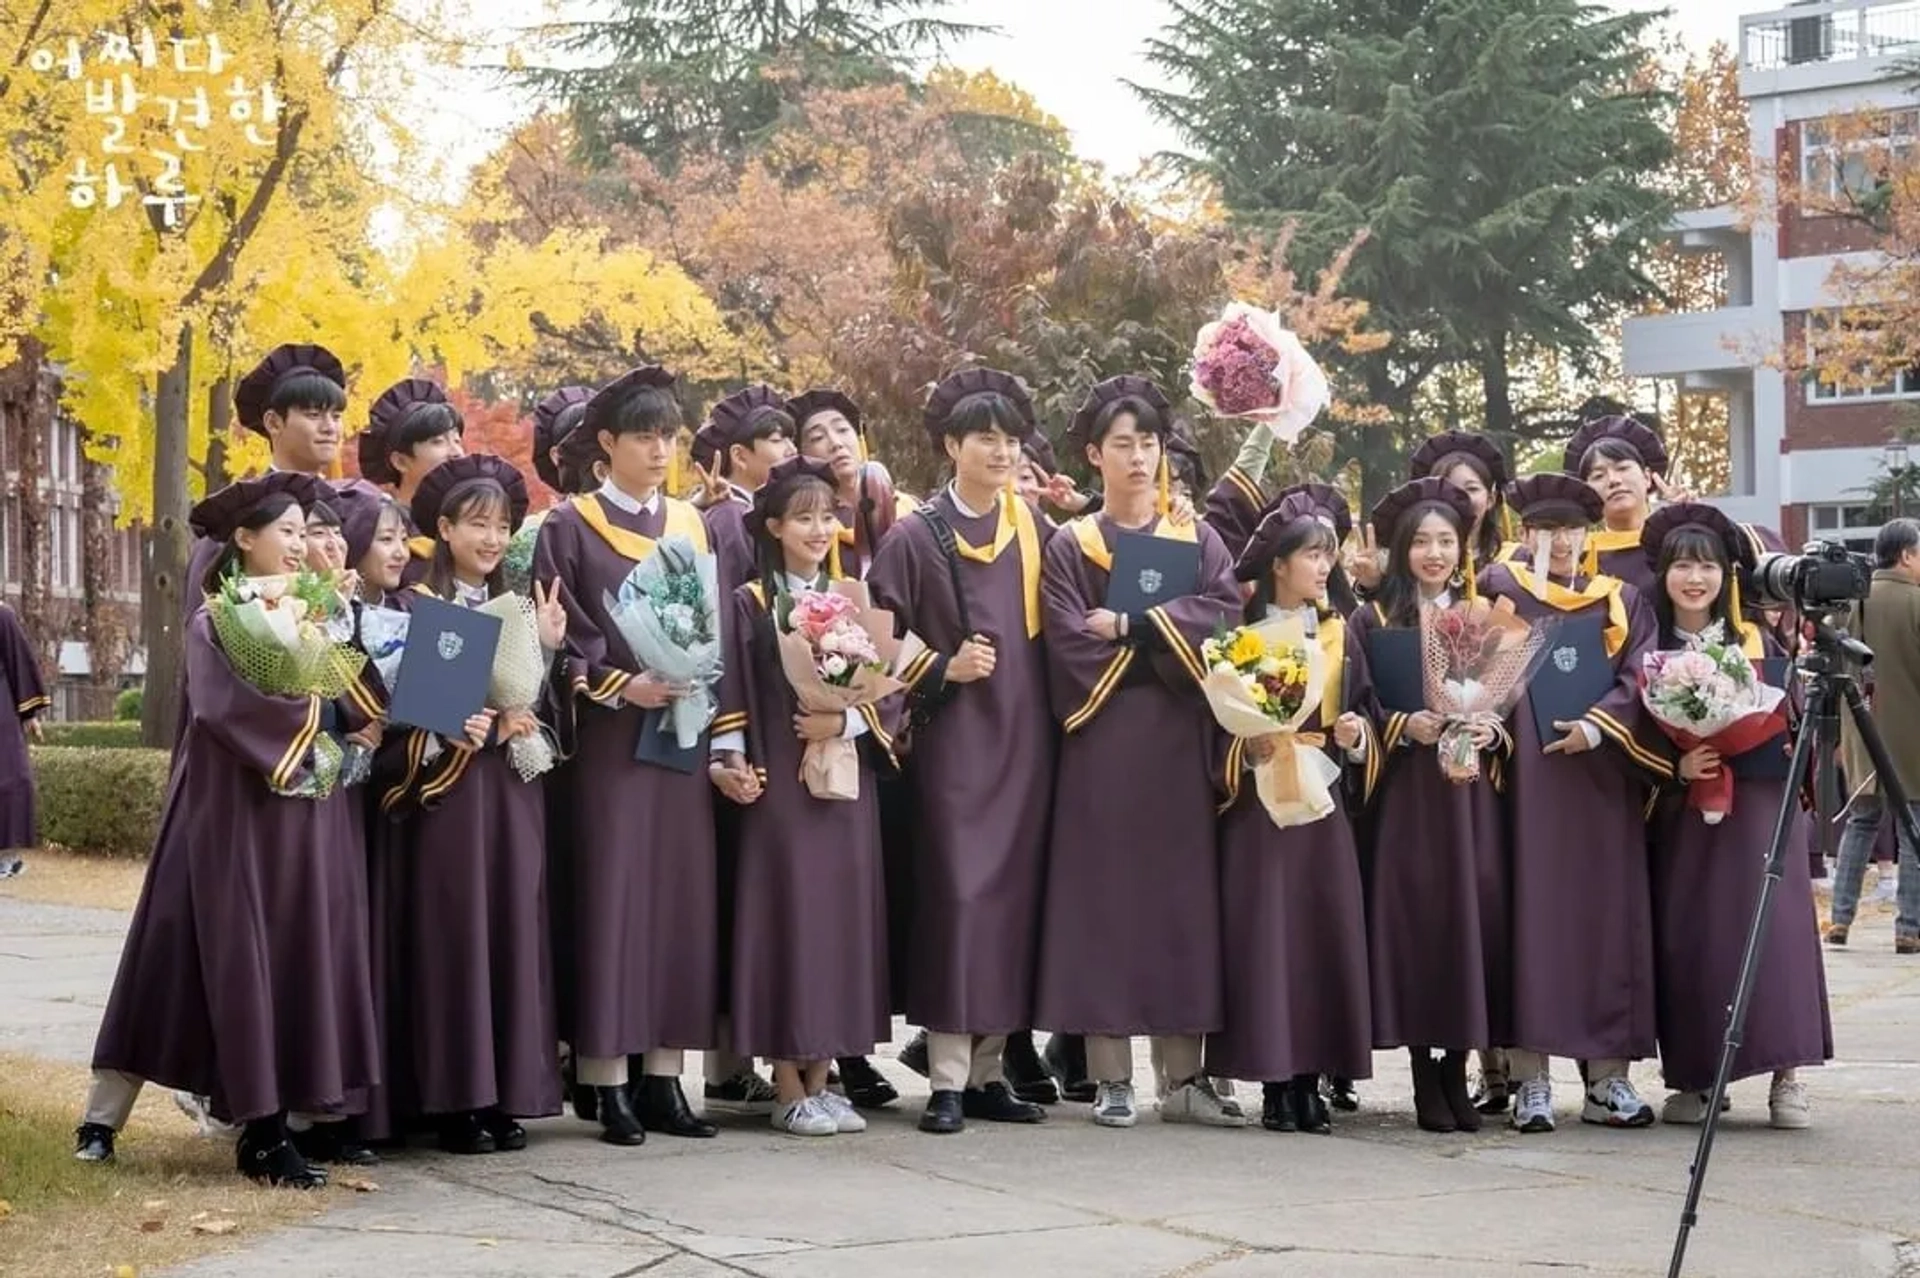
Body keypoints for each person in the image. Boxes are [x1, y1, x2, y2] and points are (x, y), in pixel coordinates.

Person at [81, 472, 381, 1185]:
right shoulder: (215, 619)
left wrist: (351, 692)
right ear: (244, 539)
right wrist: (315, 730)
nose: (300, 544)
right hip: (230, 811)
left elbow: (358, 694)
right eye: (287, 531)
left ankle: (301, 1116)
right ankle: (245, 1129)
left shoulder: (317, 613)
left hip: (302, 812)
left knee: (293, 952)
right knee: (200, 953)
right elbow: (221, 712)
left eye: (306, 532)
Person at [1031, 374, 1242, 1129]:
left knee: (1181, 905)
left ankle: (1184, 1077)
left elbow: (1224, 616)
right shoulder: (1070, 544)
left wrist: (1131, 626)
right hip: (1104, 744)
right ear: (1094, 455)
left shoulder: (1198, 537)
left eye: (1148, 442)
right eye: (1122, 443)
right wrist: (1165, 635)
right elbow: (1063, 639)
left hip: (1179, 745)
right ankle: (1111, 1075)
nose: (1138, 457)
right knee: (1106, 905)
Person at [532, 365, 720, 1145]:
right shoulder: (567, 528)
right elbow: (557, 645)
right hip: (610, 746)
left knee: (676, 902)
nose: (659, 449)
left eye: (668, 436)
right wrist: (617, 682)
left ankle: (664, 1079)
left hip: (679, 740)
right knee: (612, 901)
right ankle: (606, 1079)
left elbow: (721, 630)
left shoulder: (692, 525)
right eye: (644, 436)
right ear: (605, 443)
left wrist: (700, 691)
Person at [867, 369, 1057, 1135]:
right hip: (955, 747)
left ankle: (987, 1072)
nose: (1002, 451)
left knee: (1013, 901)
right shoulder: (916, 535)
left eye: (1011, 439)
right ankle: (943, 1075)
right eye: (986, 438)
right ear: (951, 446)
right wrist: (941, 666)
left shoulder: (1035, 529)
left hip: (1026, 743)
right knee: (956, 900)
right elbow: (875, 633)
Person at [384, 456, 569, 1154]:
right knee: (460, 940)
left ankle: (504, 1093)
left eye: (502, 526)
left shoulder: (520, 606)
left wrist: (545, 656)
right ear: (445, 527)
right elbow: (414, 724)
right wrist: (459, 722)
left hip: (511, 800)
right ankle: (457, 1097)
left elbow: (529, 701)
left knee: (512, 934)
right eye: (478, 524)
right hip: (452, 803)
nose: (492, 539)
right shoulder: (414, 607)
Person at [707, 455, 895, 1137]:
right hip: (780, 780)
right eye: (805, 517)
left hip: (843, 779)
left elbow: (882, 696)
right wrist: (732, 759)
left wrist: (842, 719)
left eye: (829, 516)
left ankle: (823, 1078)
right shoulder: (750, 602)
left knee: (839, 925)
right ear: (775, 524)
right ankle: (786, 1081)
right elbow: (727, 692)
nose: (820, 529)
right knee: (789, 921)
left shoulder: (850, 601)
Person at [1478, 474, 1671, 1134]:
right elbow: (1473, 682)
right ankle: (1531, 1079)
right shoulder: (1499, 592)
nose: (1560, 542)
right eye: (1545, 530)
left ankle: (1607, 1078)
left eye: (1572, 530)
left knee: (1603, 923)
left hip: (1599, 785)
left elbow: (1642, 675)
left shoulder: (1617, 601)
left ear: (1588, 536)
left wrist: (1597, 725)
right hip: (1525, 792)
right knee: (1530, 923)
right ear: (1523, 534)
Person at [1641, 502, 1831, 1130]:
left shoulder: (1757, 641)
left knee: (1772, 935)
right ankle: (1698, 1077)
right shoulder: (1649, 648)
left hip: (1757, 809)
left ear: (1728, 575)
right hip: (1683, 816)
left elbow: (1794, 717)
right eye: (1682, 566)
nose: (1695, 578)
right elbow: (1634, 725)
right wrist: (1676, 767)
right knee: (1693, 938)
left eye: (1708, 566)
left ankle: (1786, 1076)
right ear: (1663, 573)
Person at [1206, 484, 1373, 1135]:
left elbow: (1365, 708)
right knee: (1269, 938)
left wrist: (1357, 734)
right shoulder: (1241, 631)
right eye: (1311, 555)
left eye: (1329, 556)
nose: (1323, 567)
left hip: (1321, 798)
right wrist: (1246, 745)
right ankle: (1276, 1081)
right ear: (1279, 562)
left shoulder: (1342, 632)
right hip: (1260, 807)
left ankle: (1313, 1077)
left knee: (1318, 934)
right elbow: (1219, 720)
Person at [1346, 478, 1507, 1133]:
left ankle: (1457, 1073)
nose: (1434, 553)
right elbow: (1353, 702)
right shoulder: (1372, 619)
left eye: (1446, 540)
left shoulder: (1480, 617)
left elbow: (1506, 705)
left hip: (1467, 800)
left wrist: (1491, 729)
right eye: (1421, 541)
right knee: (1418, 928)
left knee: (1468, 926)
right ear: (1401, 549)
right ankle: (1422, 1075)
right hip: (1408, 799)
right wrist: (1396, 726)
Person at [787, 385, 911, 1110]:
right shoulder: (785, 563)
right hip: (827, 743)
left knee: (871, 900)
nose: (834, 442)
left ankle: (854, 1048)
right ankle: (828, 1059)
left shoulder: (900, 518)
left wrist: (866, 716)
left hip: (891, 735)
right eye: (816, 435)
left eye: (843, 429)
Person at [184, 345, 350, 624]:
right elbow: (203, 628)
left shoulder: (349, 512)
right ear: (273, 422)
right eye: (313, 415)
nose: (330, 427)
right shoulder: (240, 516)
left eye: (336, 416)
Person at [1831, 516, 1920, 954]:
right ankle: (1909, 927)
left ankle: (1840, 918)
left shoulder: (1850, 601)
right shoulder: (1917, 602)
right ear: (1907, 555)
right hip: (1912, 738)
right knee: (1913, 830)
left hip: (1859, 733)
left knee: (1860, 823)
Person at [691, 385, 799, 597]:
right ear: (740, 456)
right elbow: (729, 601)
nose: (792, 450)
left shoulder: (756, 513)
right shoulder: (729, 517)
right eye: (777, 440)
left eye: (791, 440)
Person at [358, 378, 466, 585]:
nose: (457, 453)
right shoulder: (376, 528)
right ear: (400, 461)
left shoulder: (466, 527)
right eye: (438, 441)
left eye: (457, 440)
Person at [0, 601, 48, 880]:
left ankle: (6, 857)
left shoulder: (2, 616)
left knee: (11, 779)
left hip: (1, 712)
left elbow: (18, 659)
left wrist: (30, 713)